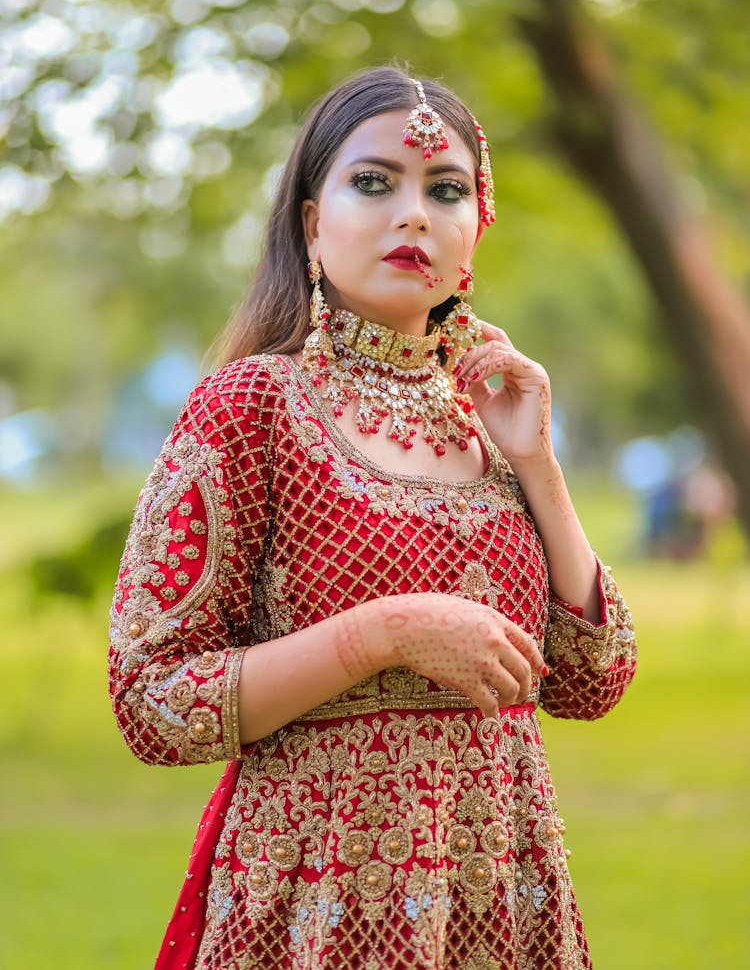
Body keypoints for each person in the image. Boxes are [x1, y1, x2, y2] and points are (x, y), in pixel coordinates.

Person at [109, 66, 637, 970]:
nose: (414, 213)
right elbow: (151, 698)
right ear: (314, 224)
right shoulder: (252, 408)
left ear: (476, 229)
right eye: (373, 181)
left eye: (445, 189)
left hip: (503, 899)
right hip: (316, 904)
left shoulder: (491, 415)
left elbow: (595, 675)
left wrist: (538, 464)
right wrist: (385, 632)